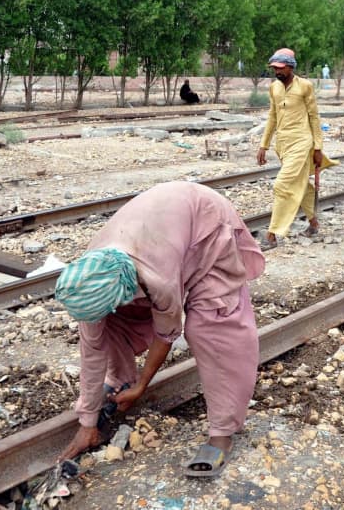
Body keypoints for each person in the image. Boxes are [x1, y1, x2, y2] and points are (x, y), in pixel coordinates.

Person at [54, 181, 264, 477]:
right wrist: (87, 421)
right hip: (165, 224)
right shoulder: (90, 276)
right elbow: (91, 347)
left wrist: (143, 384)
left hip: (206, 223)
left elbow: (167, 334)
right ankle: (120, 381)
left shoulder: (158, 280)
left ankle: (223, 432)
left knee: (209, 326)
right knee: (109, 322)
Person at [256, 48, 337, 250]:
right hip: (283, 145)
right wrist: (264, 145)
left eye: (280, 68)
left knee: (281, 185)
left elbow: (314, 117)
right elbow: (272, 117)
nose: (277, 71)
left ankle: (273, 234)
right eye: (274, 68)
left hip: (302, 142)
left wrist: (318, 147)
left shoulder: (305, 86)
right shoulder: (274, 88)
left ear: (291, 67)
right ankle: (314, 224)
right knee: (302, 185)